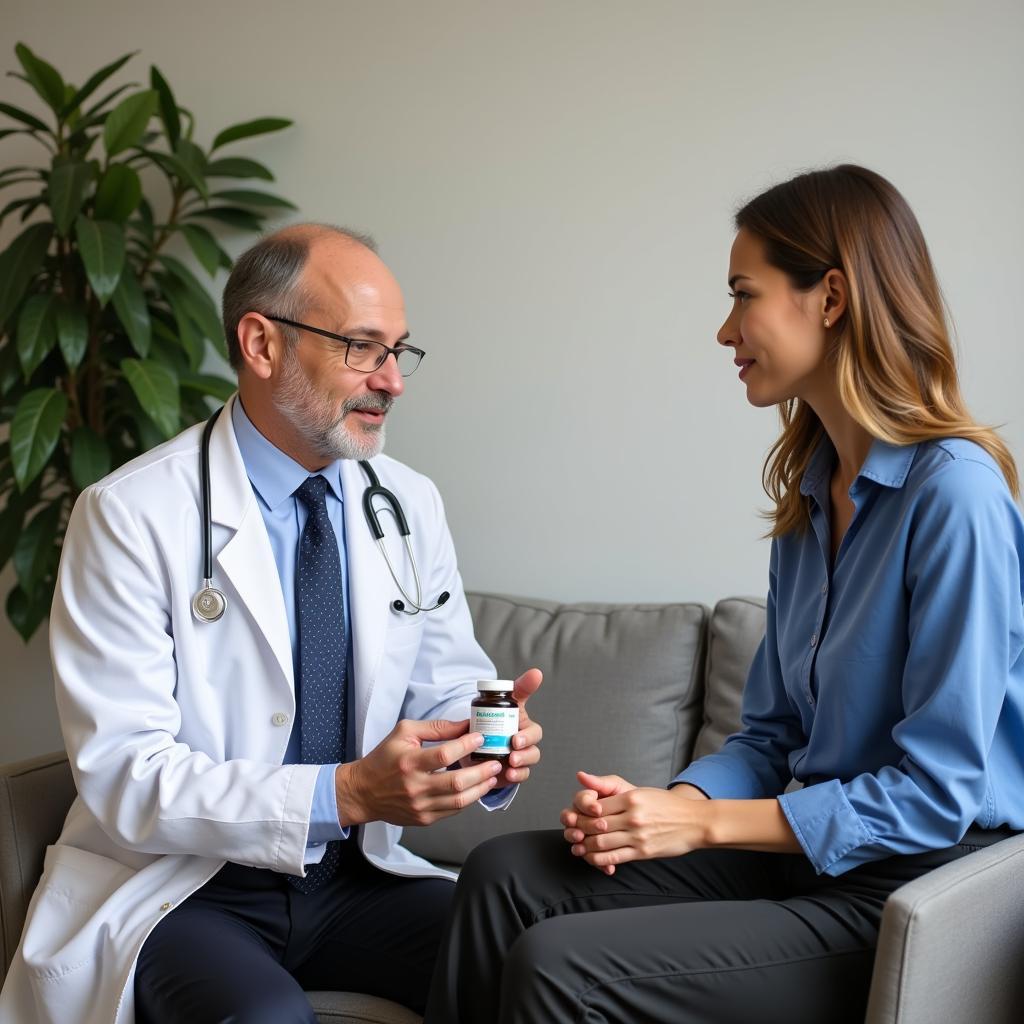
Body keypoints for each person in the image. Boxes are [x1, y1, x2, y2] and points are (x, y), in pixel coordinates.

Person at [423, 165, 1024, 1024]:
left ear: (831, 297)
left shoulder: (954, 496)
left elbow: (936, 794)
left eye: (744, 295)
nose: (724, 329)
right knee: (501, 877)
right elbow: (775, 735)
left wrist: (701, 827)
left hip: (915, 890)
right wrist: (674, 804)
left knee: (562, 966)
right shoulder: (811, 492)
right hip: (803, 856)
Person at [0, 224, 543, 1024]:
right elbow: (127, 774)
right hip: (189, 886)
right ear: (261, 342)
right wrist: (347, 790)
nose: (393, 381)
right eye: (364, 349)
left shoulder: (406, 502)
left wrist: (480, 734)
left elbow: (443, 678)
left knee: (534, 967)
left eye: (399, 351)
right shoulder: (128, 515)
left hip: (358, 878)